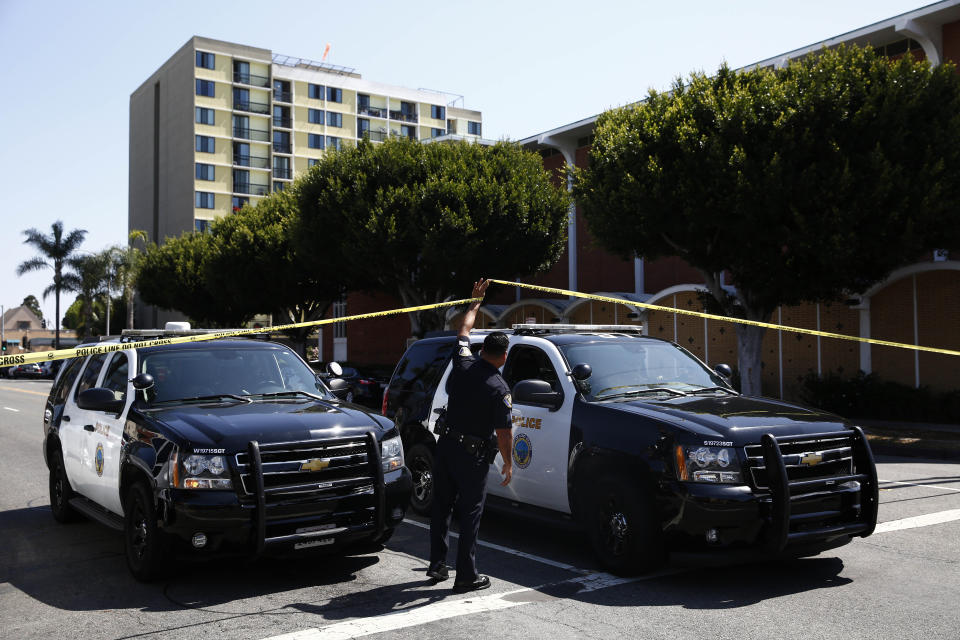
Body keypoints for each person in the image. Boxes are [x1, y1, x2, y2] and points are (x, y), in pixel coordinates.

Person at [427, 278, 513, 592]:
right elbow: (504, 432)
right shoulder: (499, 388)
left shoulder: (463, 362)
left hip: (446, 446)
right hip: (472, 457)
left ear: (483, 349)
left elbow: (464, 330)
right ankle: (465, 575)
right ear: (503, 356)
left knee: (441, 507)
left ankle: (437, 566)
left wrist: (475, 301)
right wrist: (508, 462)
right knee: (470, 514)